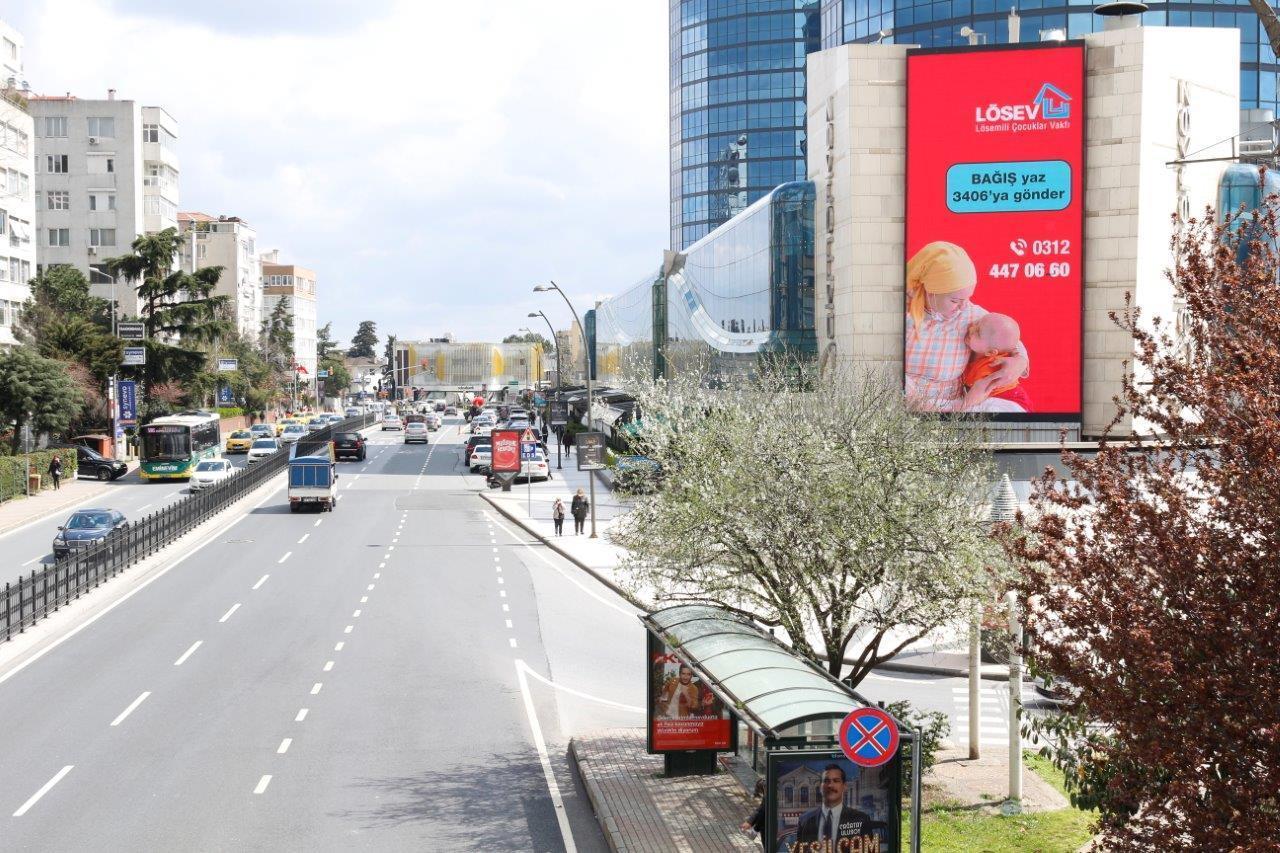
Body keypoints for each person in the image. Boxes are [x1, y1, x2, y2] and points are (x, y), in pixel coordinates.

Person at [903, 241, 1029, 412]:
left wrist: (1020, 361)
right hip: (910, 411)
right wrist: (960, 406)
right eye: (955, 300)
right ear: (930, 291)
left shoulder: (969, 315)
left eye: (967, 298)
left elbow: (1004, 336)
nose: (963, 306)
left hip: (954, 417)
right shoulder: (899, 316)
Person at [794, 764, 883, 847]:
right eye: (826, 781)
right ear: (820, 787)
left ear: (844, 786)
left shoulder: (861, 819)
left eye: (836, 781)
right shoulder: (804, 820)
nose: (830, 785)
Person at [961, 312, 1032, 412]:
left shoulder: (992, 365)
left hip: (1008, 400)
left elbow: (975, 396)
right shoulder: (986, 349)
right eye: (977, 323)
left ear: (990, 352)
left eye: (977, 332)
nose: (971, 328)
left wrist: (962, 406)